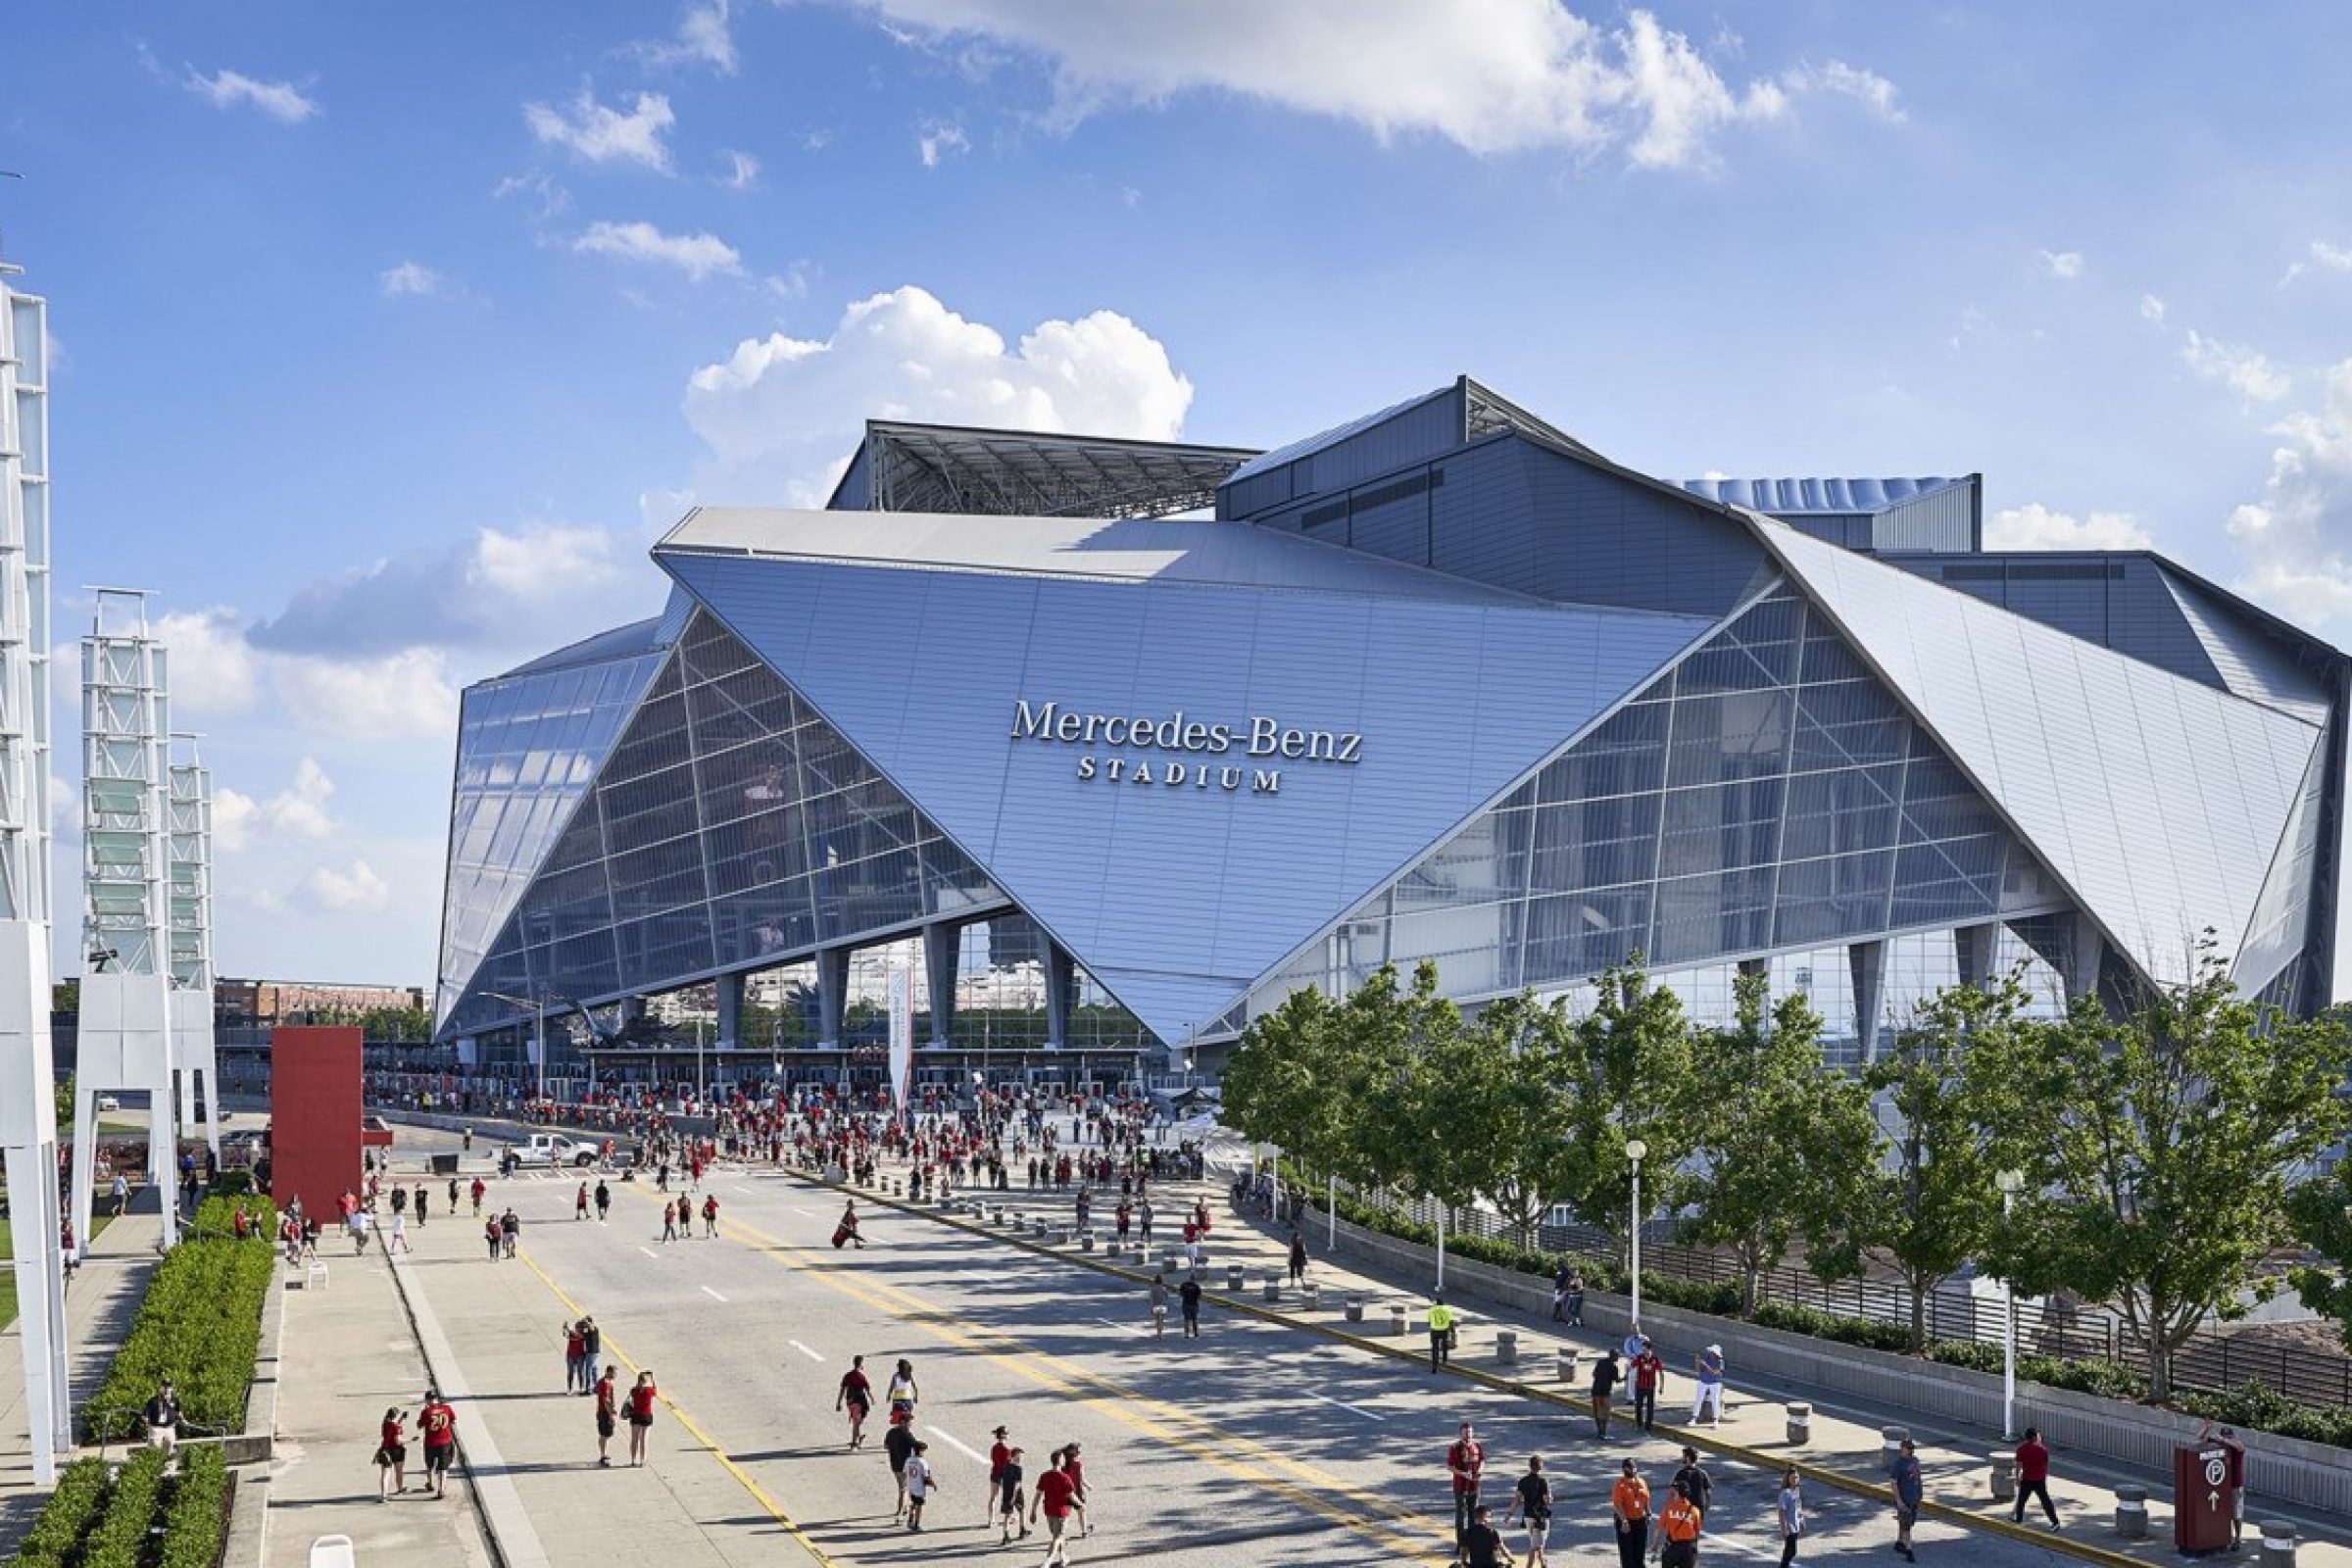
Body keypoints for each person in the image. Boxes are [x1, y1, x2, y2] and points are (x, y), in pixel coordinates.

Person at [1032, 1446, 1085, 1565]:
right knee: (1057, 1537)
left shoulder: (1044, 1476)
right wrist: (1081, 1505)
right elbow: (1071, 1496)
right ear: (1060, 1461)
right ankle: (1047, 1561)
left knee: (1059, 1535)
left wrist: (1033, 1511)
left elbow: (1037, 1495)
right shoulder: (1065, 1478)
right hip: (1061, 1512)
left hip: (1048, 1511)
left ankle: (1063, 1557)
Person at [1505, 1454, 1550, 1568]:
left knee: (1536, 1542)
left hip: (1527, 1517)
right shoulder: (1542, 1481)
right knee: (1535, 1546)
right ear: (1541, 1467)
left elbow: (1517, 1499)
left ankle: (1543, 1564)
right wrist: (1550, 1498)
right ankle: (1529, 1566)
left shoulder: (1523, 1481)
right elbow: (1546, 1500)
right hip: (1539, 1517)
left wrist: (1509, 1514)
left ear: (1530, 1466)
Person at [1446, 1420, 1485, 1551]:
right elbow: (1450, 1466)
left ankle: (1472, 1542)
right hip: (1460, 1487)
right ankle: (1461, 1543)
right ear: (1460, 1434)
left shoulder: (1477, 1446)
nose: (1468, 1435)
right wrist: (1462, 1473)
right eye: (1465, 1433)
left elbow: (1482, 1460)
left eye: (1470, 1432)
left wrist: (1480, 1471)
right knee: (1460, 1517)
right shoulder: (1455, 1448)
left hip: (1474, 1486)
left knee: (1473, 1516)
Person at [2011, 1427, 2058, 1529]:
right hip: (2039, 1479)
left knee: (2021, 1500)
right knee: (2046, 1501)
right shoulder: (2043, 1449)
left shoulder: (2021, 1449)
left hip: (2027, 1479)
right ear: (2034, 1437)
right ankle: (2055, 1522)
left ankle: (2018, 1519)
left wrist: (2017, 1477)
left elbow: (2018, 1465)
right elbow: (2045, 1464)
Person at [1610, 1457, 1650, 1568]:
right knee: (1627, 1555)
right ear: (1624, 1469)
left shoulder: (1641, 1482)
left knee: (1640, 1552)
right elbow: (1618, 1504)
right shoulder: (1620, 1485)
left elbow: (1646, 1498)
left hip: (1640, 1521)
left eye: (1634, 1467)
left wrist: (1648, 1513)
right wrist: (1624, 1520)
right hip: (1626, 1522)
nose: (1632, 1470)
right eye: (1629, 1467)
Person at [1887, 1436, 1923, 1560]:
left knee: (1908, 1522)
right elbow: (1893, 1483)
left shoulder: (1915, 1461)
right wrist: (1898, 1500)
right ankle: (1909, 1550)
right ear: (1902, 1449)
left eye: (1912, 1448)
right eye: (1908, 1448)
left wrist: (1920, 1494)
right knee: (1906, 1524)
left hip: (1914, 1497)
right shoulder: (1898, 1465)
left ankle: (1899, 1542)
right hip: (1904, 1499)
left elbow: (1918, 1478)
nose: (1911, 1451)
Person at [419, 1389, 458, 1498]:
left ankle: (430, 1483)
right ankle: (441, 1489)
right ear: (436, 1398)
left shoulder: (426, 1412)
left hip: (430, 1442)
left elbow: (420, 1425)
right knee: (443, 1467)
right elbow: (453, 1421)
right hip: (445, 1441)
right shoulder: (447, 1408)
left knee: (430, 1464)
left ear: (427, 1400)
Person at [1658, 1479, 1703, 1568]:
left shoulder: (1669, 1509)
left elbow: (1658, 1529)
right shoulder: (1695, 1511)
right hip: (1687, 1549)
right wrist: (1694, 1548)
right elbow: (1697, 1532)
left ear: (1677, 1493)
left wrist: (1655, 1545)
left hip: (1672, 1547)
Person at [1460, 1502, 1515, 1568]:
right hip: (1492, 1565)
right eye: (1490, 1517)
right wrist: (1510, 1558)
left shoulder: (1467, 1532)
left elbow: (1463, 1552)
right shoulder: (1492, 1532)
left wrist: (1464, 1562)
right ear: (1486, 1517)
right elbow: (1503, 1549)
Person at [885, 1416, 918, 1520]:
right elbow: (917, 1446)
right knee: (904, 1489)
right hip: (906, 1465)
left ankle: (905, 1507)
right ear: (903, 1422)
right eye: (909, 1423)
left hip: (894, 1464)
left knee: (903, 1487)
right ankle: (900, 1512)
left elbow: (886, 1445)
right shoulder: (907, 1434)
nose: (910, 1425)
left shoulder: (891, 1432)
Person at [836, 1354, 872, 1447]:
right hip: (860, 1401)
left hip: (850, 1401)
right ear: (861, 1364)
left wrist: (839, 1402)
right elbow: (867, 1389)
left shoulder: (847, 1375)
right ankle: (854, 1442)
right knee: (857, 1422)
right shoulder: (861, 1376)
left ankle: (858, 1437)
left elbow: (842, 1389)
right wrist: (872, 1399)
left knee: (856, 1421)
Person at [1630, 1339, 1665, 1432]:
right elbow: (1632, 1366)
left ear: (1650, 1350)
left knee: (1650, 1407)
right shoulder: (1639, 1358)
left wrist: (1661, 1386)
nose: (1643, 1351)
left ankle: (1648, 1426)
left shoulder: (1655, 1359)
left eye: (1645, 1349)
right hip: (1640, 1386)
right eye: (1643, 1349)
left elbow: (1661, 1372)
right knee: (1638, 1406)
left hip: (1650, 1387)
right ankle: (1638, 1423)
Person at [997, 1444, 1028, 1543]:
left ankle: (1006, 1535)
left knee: (1007, 1515)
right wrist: (1014, 1497)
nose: (1020, 1459)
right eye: (1019, 1457)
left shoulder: (1006, 1466)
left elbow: (1001, 1480)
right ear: (1014, 1456)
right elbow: (1017, 1484)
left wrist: (1005, 1491)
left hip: (1006, 1493)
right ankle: (1022, 1530)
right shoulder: (1018, 1469)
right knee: (1022, 1510)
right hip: (1016, 1494)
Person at [375, 1406, 409, 1498]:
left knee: (385, 1474)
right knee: (399, 1471)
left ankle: (384, 1494)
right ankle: (400, 1488)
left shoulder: (385, 1423)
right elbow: (398, 1441)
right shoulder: (397, 1427)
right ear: (396, 1416)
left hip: (385, 1449)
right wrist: (410, 1440)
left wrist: (401, 1419)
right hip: (397, 1450)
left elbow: (392, 1427)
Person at [626, 1371, 658, 1467]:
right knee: (644, 1439)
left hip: (635, 1415)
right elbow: (655, 1390)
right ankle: (642, 1460)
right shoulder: (649, 1391)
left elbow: (633, 1393)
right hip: (646, 1415)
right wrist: (652, 1379)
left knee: (634, 1438)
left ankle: (633, 1459)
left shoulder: (633, 1390)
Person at [1671, 1447, 1713, 1518]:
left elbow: (1673, 1491)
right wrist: (1707, 1504)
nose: (1682, 1458)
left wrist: (1674, 1504)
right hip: (1699, 1506)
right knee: (1696, 1528)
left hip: (1685, 1506)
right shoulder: (1702, 1473)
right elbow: (1708, 1491)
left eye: (1684, 1456)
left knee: (1686, 1527)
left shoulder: (1681, 1473)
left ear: (1688, 1458)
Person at [903, 1440, 936, 1531]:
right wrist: (933, 1484)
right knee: (919, 1506)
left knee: (913, 1502)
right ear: (920, 1451)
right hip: (919, 1487)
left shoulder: (908, 1460)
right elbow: (926, 1476)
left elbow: (905, 1472)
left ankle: (910, 1518)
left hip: (911, 1486)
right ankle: (916, 1525)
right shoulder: (922, 1462)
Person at [1690, 1344, 1725, 1425]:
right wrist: (1697, 1362)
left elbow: (1715, 1373)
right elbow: (1698, 1370)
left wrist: (1706, 1365)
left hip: (1714, 1383)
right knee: (1698, 1399)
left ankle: (1715, 1420)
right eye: (1711, 1352)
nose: (1711, 1354)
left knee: (1715, 1401)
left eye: (1713, 1353)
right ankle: (1694, 1418)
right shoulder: (1706, 1358)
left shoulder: (1720, 1362)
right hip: (1703, 1381)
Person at [1776, 1467, 1805, 1566]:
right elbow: (1781, 1511)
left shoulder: (1796, 1492)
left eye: (1796, 1477)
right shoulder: (1785, 1493)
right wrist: (1784, 1528)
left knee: (1791, 1551)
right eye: (1792, 1478)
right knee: (1791, 1551)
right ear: (1788, 1479)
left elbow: (1799, 1509)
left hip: (1795, 1526)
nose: (1795, 1480)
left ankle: (1784, 1565)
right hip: (1790, 1527)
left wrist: (1802, 1522)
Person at [1590, 1348, 1621, 1439]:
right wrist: (1626, 1378)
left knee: (1597, 1411)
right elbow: (1617, 1380)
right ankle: (1603, 1432)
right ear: (1614, 1356)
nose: (1618, 1358)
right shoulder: (1614, 1368)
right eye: (1617, 1356)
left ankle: (1599, 1431)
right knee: (1605, 1412)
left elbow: (1594, 1374)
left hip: (1596, 1390)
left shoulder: (1600, 1363)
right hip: (1605, 1392)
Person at [143, 1380, 180, 1451]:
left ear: (171, 1388)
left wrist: (183, 1419)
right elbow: (145, 1414)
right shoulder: (153, 1400)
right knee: (155, 1449)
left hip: (170, 1428)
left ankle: (168, 1460)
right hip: (156, 1428)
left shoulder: (175, 1400)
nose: (166, 1389)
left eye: (168, 1387)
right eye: (164, 1386)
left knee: (171, 1448)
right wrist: (148, 1424)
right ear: (160, 1388)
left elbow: (178, 1411)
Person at [594, 1364, 618, 1467]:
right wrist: (611, 1414)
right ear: (609, 1372)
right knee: (605, 1434)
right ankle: (603, 1455)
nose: (616, 1375)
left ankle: (603, 1453)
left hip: (601, 1411)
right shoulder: (605, 1384)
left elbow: (595, 1390)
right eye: (614, 1373)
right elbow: (606, 1401)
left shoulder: (602, 1382)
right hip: (605, 1412)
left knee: (605, 1434)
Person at [1428, 1294, 1457, 1372]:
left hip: (1434, 1330)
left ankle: (1434, 1365)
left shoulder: (1432, 1310)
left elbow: (1429, 1322)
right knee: (1444, 1346)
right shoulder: (1447, 1310)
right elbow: (1451, 1321)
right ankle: (1444, 1361)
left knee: (1435, 1348)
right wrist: (1452, 1331)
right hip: (1444, 1330)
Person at [886, 1358, 919, 1424]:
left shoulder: (895, 1376)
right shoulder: (909, 1376)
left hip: (897, 1399)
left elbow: (891, 1387)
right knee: (908, 1417)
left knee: (897, 1417)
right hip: (908, 1399)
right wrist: (916, 1397)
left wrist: (888, 1396)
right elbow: (915, 1388)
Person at [564, 1320, 588, 1394]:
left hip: (580, 1355)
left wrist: (568, 1329)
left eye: (578, 1327)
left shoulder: (583, 1334)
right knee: (570, 1372)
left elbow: (579, 1336)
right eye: (576, 1326)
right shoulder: (571, 1334)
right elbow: (565, 1335)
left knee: (580, 1372)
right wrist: (565, 1328)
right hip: (571, 1355)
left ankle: (581, 1387)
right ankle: (570, 1388)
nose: (577, 1328)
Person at [1179, 1272, 1203, 1338]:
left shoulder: (1184, 1285)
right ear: (1194, 1279)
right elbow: (1199, 1296)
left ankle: (1186, 1334)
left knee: (1186, 1320)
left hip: (1186, 1303)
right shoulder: (1196, 1286)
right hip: (1194, 1304)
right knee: (1194, 1319)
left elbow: (1181, 1293)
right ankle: (1195, 1333)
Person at [1149, 1273, 1170, 1337]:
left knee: (1157, 1319)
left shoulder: (1152, 1288)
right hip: (1162, 1305)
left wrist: (1151, 1307)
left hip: (1155, 1305)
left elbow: (1151, 1298)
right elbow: (1167, 1296)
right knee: (1162, 1319)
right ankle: (1161, 1330)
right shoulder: (1163, 1288)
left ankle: (1158, 1332)